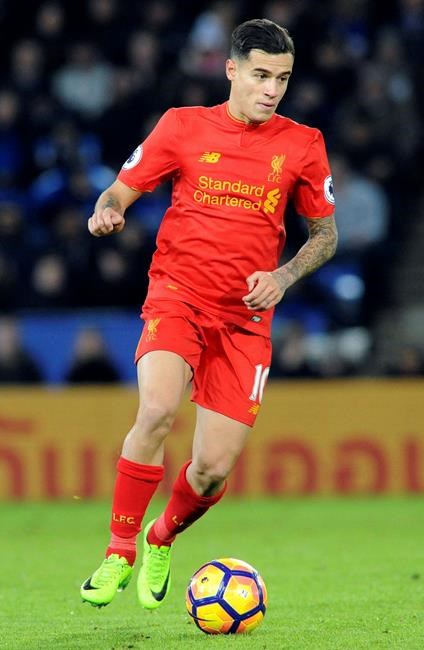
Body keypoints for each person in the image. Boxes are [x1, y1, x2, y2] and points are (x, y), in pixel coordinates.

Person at [80, 18, 337, 609]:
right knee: (156, 409)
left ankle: (161, 536)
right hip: (177, 295)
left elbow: (325, 236)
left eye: (282, 79)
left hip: (245, 319)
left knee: (211, 471)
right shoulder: (182, 126)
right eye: (261, 75)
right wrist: (108, 210)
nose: (272, 89)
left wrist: (282, 276)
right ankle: (119, 551)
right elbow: (119, 189)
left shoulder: (303, 144)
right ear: (231, 70)